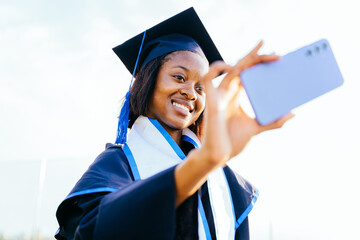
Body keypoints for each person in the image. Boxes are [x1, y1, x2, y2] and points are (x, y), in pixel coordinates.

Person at [55, 7, 293, 240]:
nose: (191, 93)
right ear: (148, 81)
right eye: (179, 77)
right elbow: (94, 232)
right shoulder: (117, 165)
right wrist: (202, 163)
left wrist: (209, 160)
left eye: (201, 88)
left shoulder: (226, 182)